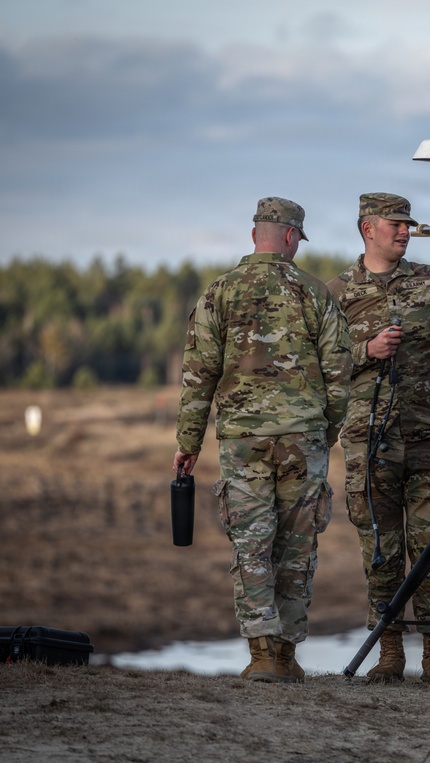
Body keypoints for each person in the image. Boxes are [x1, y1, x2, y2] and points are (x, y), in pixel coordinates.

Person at [173, 197, 352, 684]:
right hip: (303, 439)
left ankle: (261, 655)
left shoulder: (219, 294)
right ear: (291, 237)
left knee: (251, 546)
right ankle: (287, 654)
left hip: (242, 442)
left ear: (256, 235)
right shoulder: (315, 293)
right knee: (297, 547)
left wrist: (188, 443)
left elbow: (198, 376)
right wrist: (326, 432)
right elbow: (340, 373)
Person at [328, 193, 430, 685]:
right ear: (368, 228)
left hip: (429, 436)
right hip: (371, 442)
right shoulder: (338, 292)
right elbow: (321, 364)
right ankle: (390, 654)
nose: (406, 232)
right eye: (396, 224)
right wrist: (365, 350)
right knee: (381, 548)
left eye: (409, 225)